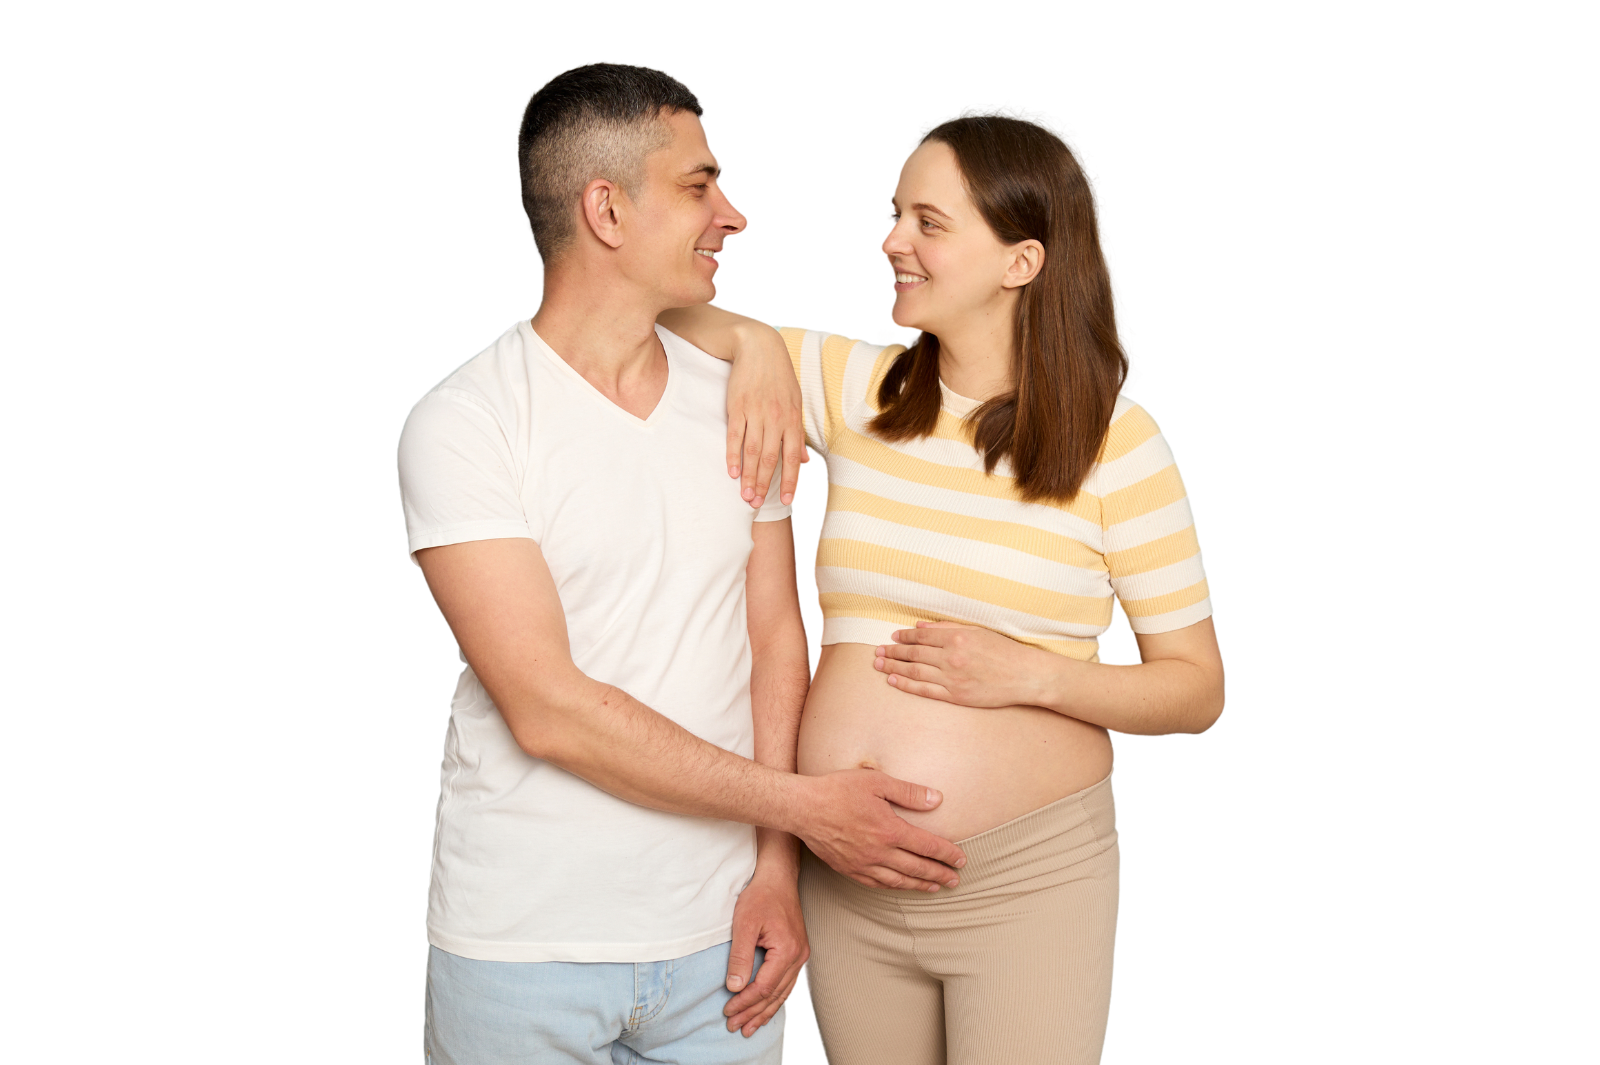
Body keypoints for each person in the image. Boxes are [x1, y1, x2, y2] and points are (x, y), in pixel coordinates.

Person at [395, 62, 971, 1065]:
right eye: (699, 185)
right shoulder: (465, 423)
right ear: (607, 209)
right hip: (522, 951)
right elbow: (548, 708)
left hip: (723, 947)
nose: (727, 217)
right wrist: (804, 810)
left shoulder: (738, 406)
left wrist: (776, 872)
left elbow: (771, 641)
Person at [658, 104, 1226, 1065]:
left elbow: (1193, 685)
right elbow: (662, 313)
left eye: (928, 222)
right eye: (894, 216)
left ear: (1023, 260)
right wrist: (757, 342)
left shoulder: (1117, 446)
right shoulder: (856, 381)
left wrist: (1032, 675)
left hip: (1023, 884)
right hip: (850, 881)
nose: (891, 243)